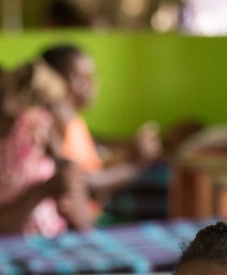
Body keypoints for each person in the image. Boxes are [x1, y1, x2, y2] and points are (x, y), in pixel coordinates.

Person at [0, 62, 93, 238]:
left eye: (1, 93)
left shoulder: (34, 123)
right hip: (7, 216)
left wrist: (68, 186)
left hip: (43, 217)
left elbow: (61, 161)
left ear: (13, 91)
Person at [39, 44, 162, 210]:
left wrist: (128, 146)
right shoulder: (53, 123)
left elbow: (93, 142)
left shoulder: (72, 120)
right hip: (88, 214)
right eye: (85, 78)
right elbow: (83, 181)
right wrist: (137, 166)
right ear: (66, 81)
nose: (93, 84)